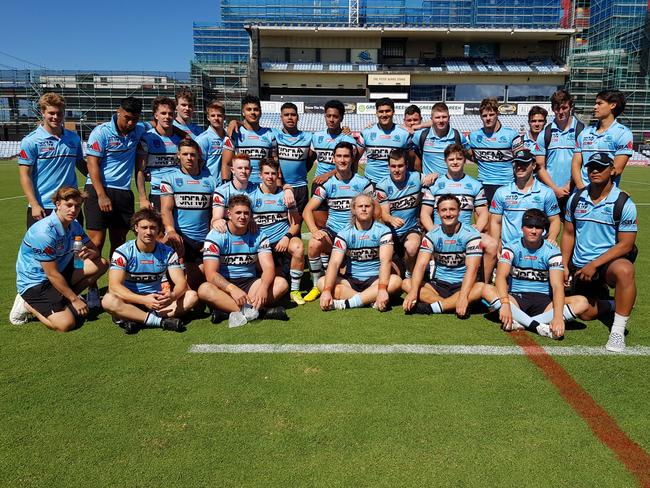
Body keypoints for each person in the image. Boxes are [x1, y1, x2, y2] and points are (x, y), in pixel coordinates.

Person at [561, 152, 638, 352]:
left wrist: (594, 264)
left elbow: (626, 245)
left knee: (625, 270)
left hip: (606, 265)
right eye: (590, 167)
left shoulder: (623, 202)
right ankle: (613, 304)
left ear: (612, 171)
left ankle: (618, 331)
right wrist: (564, 266)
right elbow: (569, 234)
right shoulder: (576, 198)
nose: (594, 171)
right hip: (580, 265)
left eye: (600, 167)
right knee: (584, 312)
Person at [10, 187, 108, 331]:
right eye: (69, 205)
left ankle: (64, 297)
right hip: (36, 282)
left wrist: (90, 253)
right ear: (58, 205)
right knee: (66, 324)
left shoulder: (74, 225)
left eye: (77, 206)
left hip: (59, 272)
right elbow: (51, 274)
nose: (73, 210)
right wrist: (74, 299)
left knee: (100, 264)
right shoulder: (44, 233)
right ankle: (27, 305)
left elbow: (93, 250)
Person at [483, 208, 589, 338]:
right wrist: (505, 304)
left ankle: (522, 321)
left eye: (538, 227)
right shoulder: (511, 246)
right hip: (516, 299)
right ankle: (537, 326)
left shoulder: (552, 251)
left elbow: (557, 286)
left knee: (582, 302)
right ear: (522, 228)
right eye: (529, 226)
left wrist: (557, 317)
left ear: (543, 230)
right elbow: (500, 276)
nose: (533, 231)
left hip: (544, 302)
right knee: (487, 289)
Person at [102, 208, 198, 334]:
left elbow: (181, 282)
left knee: (192, 296)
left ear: (158, 230)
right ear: (136, 228)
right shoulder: (123, 252)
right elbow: (114, 286)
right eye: (144, 227)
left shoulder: (168, 252)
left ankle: (134, 318)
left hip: (157, 302)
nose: (148, 232)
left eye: (153, 227)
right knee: (108, 301)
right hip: (131, 300)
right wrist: (143, 300)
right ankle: (159, 322)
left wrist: (172, 296)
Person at [198, 195, 289, 327]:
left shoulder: (259, 234)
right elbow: (211, 274)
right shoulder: (216, 235)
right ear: (229, 214)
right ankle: (259, 312)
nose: (242, 217)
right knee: (204, 289)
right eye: (238, 213)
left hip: (250, 284)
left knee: (281, 283)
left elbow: (269, 268)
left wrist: (263, 288)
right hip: (226, 285)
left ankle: (230, 311)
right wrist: (231, 288)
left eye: (246, 213)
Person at [302, 141, 375, 302]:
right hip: (334, 233)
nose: (342, 160)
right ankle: (316, 284)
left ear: (352, 158)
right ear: (334, 159)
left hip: (356, 234)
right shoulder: (328, 185)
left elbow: (376, 210)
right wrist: (315, 230)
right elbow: (307, 210)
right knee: (314, 243)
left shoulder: (363, 183)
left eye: (346, 156)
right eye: (339, 156)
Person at [420, 143, 497, 282]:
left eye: (459, 159)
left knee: (491, 244)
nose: (455, 162)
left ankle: (482, 283)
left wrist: (477, 229)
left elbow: (483, 212)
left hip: (466, 232)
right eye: (451, 159)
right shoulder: (436, 184)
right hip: (441, 231)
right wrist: (433, 231)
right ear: (445, 161)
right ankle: (432, 269)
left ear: (464, 160)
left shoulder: (475, 184)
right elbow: (425, 213)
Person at [85, 96, 146, 262]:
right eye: (127, 118)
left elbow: (159, 124)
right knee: (96, 242)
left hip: (123, 192)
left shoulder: (139, 129)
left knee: (119, 243)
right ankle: (91, 284)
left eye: (135, 119)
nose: (130, 123)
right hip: (98, 190)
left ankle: (114, 281)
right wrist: (101, 195)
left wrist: (184, 133)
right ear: (118, 112)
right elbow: (92, 164)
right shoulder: (101, 132)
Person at [402, 194, 484, 317]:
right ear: (438, 213)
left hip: (462, 284)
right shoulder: (432, 235)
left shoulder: (471, 234)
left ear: (459, 211)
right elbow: (421, 264)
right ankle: (452, 305)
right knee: (407, 283)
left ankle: (434, 307)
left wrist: (463, 295)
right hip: (439, 285)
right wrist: (413, 292)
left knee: (481, 287)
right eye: (444, 210)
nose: (448, 214)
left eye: (452, 209)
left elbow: (472, 269)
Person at [318, 194, 402, 311]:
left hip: (375, 280)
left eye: (367, 206)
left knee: (396, 282)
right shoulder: (344, 233)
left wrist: (382, 289)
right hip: (351, 281)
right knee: (322, 283)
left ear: (373, 209)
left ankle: (348, 303)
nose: (363, 209)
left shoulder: (383, 231)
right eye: (360, 206)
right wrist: (327, 291)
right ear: (353, 210)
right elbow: (334, 263)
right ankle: (369, 299)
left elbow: (385, 261)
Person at [18, 93, 85, 228]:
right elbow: (25, 175)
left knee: (73, 247)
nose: (56, 117)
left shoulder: (74, 139)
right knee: (42, 248)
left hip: (69, 205)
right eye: (51, 113)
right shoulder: (31, 141)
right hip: (43, 206)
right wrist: (35, 204)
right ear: (43, 112)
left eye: (59, 113)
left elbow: (82, 165)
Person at [160, 139, 218, 290]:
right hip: (181, 238)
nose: (189, 158)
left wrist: (212, 236)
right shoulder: (169, 179)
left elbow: (215, 212)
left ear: (198, 156)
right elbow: (166, 209)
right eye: (185, 154)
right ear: (178, 155)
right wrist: (171, 230)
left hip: (204, 238)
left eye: (192, 154)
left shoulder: (211, 180)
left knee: (203, 276)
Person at [250, 159, 305, 304]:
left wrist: (287, 237)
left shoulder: (285, 196)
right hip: (261, 246)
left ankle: (295, 290)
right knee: (271, 275)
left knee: (298, 246)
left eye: (273, 173)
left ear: (278, 174)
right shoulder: (252, 196)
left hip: (281, 241)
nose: (270, 177)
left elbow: (296, 224)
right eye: (266, 173)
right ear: (260, 175)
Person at [489, 150, 560, 246]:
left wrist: (551, 239)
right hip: (509, 248)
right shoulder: (502, 192)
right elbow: (495, 222)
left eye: (524, 164)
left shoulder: (546, 192)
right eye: (517, 163)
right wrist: (495, 245)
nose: (519, 167)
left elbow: (555, 220)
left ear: (534, 165)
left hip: (537, 248)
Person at [375, 149, 427, 276]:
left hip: (411, 229)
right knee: (391, 274)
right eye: (393, 166)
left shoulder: (417, 177)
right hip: (391, 233)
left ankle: (410, 273)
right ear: (388, 167)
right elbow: (384, 214)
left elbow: (436, 181)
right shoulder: (383, 185)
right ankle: (401, 266)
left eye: (400, 166)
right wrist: (391, 219)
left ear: (406, 166)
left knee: (412, 246)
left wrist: (434, 176)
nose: (396, 170)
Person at [310, 99, 360, 229]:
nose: (331, 119)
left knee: (343, 224)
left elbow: (351, 164)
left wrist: (329, 174)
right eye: (328, 116)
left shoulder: (348, 139)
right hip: (319, 183)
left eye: (335, 116)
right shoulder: (316, 137)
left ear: (341, 118)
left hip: (340, 184)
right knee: (320, 225)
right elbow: (310, 159)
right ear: (325, 116)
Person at [534, 89, 585, 215]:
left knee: (573, 232)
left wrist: (569, 185)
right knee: (547, 231)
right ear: (552, 109)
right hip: (550, 191)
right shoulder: (546, 133)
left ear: (570, 107)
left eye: (564, 107)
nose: (561, 112)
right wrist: (555, 189)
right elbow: (540, 166)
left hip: (574, 190)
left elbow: (583, 162)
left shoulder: (582, 131)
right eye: (557, 108)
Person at [572, 89, 633, 190]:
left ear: (612, 105)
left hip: (606, 196)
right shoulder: (584, 133)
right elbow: (575, 164)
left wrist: (595, 190)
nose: (595, 107)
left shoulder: (623, 133)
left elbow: (617, 169)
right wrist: (581, 188)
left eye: (599, 103)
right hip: (581, 192)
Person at [468, 97, 522, 204]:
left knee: (504, 220)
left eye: (491, 114)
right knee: (484, 220)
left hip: (506, 184)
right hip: (483, 184)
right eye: (484, 115)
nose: (488, 118)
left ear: (497, 113)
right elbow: (467, 153)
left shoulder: (511, 135)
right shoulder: (474, 136)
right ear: (480, 116)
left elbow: (520, 161)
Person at [136, 96, 183, 210]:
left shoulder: (181, 140)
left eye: (170, 114)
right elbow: (140, 171)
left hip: (178, 191)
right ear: (156, 116)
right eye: (163, 113)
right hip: (157, 193)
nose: (167, 117)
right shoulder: (147, 138)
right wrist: (143, 198)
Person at [222, 94, 276, 184]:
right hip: (240, 185)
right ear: (243, 112)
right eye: (249, 109)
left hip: (263, 186)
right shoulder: (234, 133)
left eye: (256, 109)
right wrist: (225, 184)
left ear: (261, 112)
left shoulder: (270, 134)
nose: (252, 112)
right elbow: (226, 163)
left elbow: (273, 164)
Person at [359, 97, 413, 186]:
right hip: (371, 183)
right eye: (381, 111)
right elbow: (355, 158)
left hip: (396, 184)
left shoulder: (404, 134)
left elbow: (412, 161)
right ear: (376, 113)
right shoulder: (367, 132)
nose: (384, 114)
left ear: (393, 112)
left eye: (387, 111)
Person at [273, 102, 315, 213]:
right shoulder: (274, 134)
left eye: (293, 114)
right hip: (280, 186)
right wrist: (235, 121)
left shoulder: (308, 136)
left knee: (297, 224)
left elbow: (311, 158)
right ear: (281, 117)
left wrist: (345, 131)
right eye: (286, 115)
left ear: (298, 117)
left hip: (300, 187)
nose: (290, 117)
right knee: (280, 223)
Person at [413, 102, 470, 176]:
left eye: (444, 117)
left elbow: (471, 155)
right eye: (437, 117)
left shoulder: (457, 136)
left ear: (449, 118)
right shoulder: (421, 135)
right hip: (429, 186)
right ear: (431, 119)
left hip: (451, 185)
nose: (441, 120)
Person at [196, 99, 227, 184]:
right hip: (209, 186)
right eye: (213, 115)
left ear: (224, 117)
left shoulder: (229, 137)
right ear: (208, 118)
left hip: (226, 185)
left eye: (219, 115)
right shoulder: (203, 139)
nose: (216, 118)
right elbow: (198, 167)